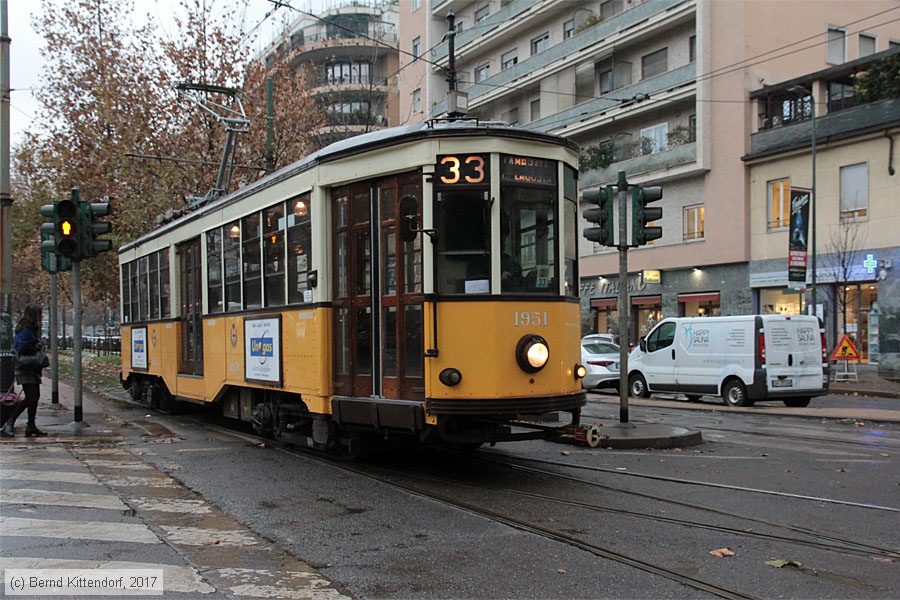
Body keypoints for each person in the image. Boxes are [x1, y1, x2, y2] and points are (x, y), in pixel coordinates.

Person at [1, 304, 47, 437]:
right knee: (30, 397)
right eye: (39, 314)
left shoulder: (31, 328)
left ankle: (31, 426)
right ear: (34, 315)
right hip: (26, 369)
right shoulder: (26, 329)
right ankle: (9, 423)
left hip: (31, 368)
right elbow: (21, 347)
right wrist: (35, 345)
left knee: (35, 397)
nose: (41, 316)